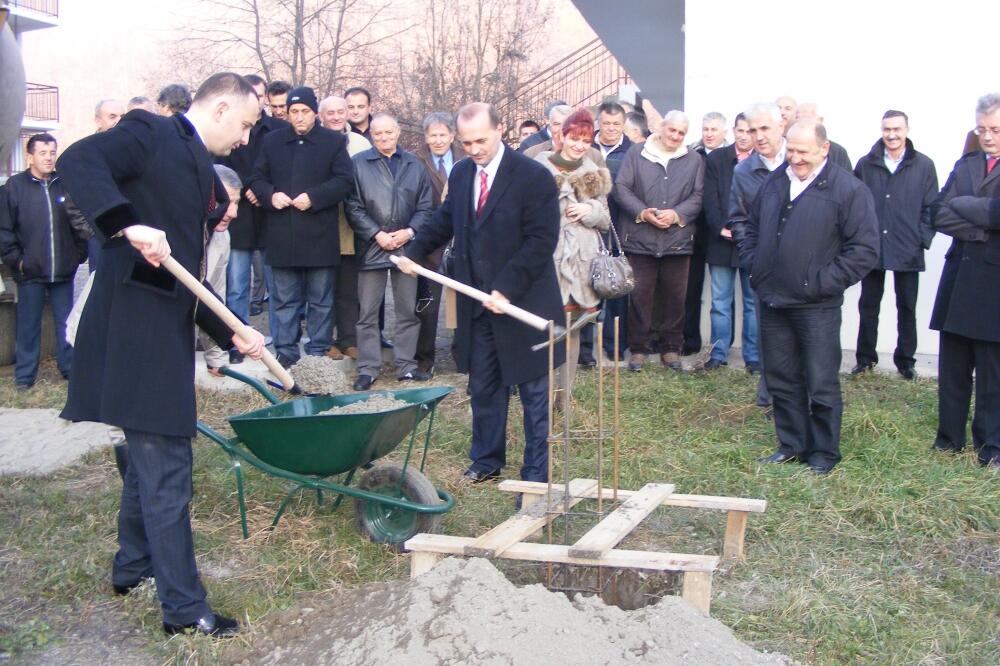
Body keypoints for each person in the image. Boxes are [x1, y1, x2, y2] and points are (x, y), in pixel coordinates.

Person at [57, 72, 267, 637]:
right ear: (221, 107)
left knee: (151, 456)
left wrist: (233, 332)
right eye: (246, 124)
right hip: (136, 334)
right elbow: (77, 161)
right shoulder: (151, 132)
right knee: (169, 464)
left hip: (162, 328)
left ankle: (131, 565)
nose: (246, 138)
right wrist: (127, 224)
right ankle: (184, 610)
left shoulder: (195, 160)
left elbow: (185, 279)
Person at [398, 102, 564, 484]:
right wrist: (413, 252)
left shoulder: (532, 176)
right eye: (467, 142)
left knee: (534, 393)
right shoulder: (460, 174)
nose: (474, 149)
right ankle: (487, 460)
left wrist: (506, 288)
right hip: (478, 302)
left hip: (525, 302)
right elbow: (445, 221)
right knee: (485, 384)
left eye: (481, 140)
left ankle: (536, 472)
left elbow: (541, 241)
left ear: (500, 129)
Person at [741, 120, 879, 474]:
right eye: (791, 150)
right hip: (773, 299)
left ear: (824, 149)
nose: (795, 158)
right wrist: (755, 266)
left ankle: (823, 453)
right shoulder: (775, 182)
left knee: (821, 382)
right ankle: (792, 445)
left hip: (816, 306)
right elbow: (751, 227)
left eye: (803, 151)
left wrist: (820, 282)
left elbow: (864, 251)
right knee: (782, 378)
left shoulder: (848, 190)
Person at [250, 86, 354, 368]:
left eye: (305, 112)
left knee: (320, 299)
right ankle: (286, 352)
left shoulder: (332, 141)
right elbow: (256, 179)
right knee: (284, 299)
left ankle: (318, 350)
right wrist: (271, 195)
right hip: (282, 233)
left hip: (319, 233)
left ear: (315, 113)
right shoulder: (272, 141)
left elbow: (345, 180)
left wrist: (315, 197)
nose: (299, 117)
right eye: (293, 112)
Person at [928, 92, 1000, 468]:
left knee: (992, 374)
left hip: (993, 287)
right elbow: (938, 213)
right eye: (982, 129)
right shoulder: (967, 162)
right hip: (958, 280)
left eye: (995, 130)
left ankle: (991, 447)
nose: (987, 136)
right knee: (953, 367)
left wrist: (970, 208)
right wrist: (983, 225)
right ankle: (948, 440)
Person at [346, 113, 434, 390]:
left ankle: (406, 367)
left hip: (407, 247)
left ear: (398, 133)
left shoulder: (414, 165)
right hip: (371, 246)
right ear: (372, 136)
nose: (383, 138)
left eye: (388, 132)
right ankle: (368, 368)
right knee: (368, 312)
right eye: (378, 134)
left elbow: (426, 206)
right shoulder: (358, 164)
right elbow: (352, 206)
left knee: (407, 310)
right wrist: (376, 234)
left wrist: (409, 232)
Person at [613, 110, 704, 371]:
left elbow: (698, 196)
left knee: (675, 298)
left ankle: (671, 349)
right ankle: (640, 348)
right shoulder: (637, 153)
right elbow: (621, 188)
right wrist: (643, 212)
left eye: (681, 133)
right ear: (661, 127)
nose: (675, 136)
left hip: (677, 240)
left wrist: (676, 214)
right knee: (640, 296)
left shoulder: (694, 160)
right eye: (672, 129)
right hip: (641, 238)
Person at [852, 110, 938, 379]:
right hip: (873, 247)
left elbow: (931, 207)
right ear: (881, 130)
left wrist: (922, 239)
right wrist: (859, 240)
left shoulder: (923, 165)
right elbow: (854, 205)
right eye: (887, 129)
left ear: (907, 130)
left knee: (907, 306)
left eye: (897, 129)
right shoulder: (866, 164)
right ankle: (865, 359)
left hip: (907, 246)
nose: (892, 135)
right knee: (868, 305)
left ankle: (906, 361)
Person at [0, 133, 88, 389]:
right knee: (28, 325)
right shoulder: (13, 188)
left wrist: (77, 256)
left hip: (63, 270)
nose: (49, 158)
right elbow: (4, 231)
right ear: (29, 157)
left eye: (52, 152)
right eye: (43, 153)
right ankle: (25, 377)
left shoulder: (64, 185)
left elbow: (79, 223)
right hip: (29, 272)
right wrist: (18, 262)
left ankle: (69, 369)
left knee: (66, 324)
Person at [534, 108, 612, 394]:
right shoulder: (539, 168)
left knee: (574, 327)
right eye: (574, 138)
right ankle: (543, 391)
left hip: (581, 262)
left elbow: (606, 220)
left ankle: (564, 395)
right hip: (548, 258)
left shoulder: (594, 174)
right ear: (562, 136)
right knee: (547, 325)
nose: (579, 145)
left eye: (585, 140)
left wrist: (588, 209)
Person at [218, 73, 283, 362]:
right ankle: (237, 344)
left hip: (271, 217)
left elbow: (285, 169)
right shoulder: (229, 129)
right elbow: (220, 164)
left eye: (259, 95)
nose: (256, 100)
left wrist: (263, 190)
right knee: (237, 286)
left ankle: (283, 347)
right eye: (250, 95)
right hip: (240, 217)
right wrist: (246, 189)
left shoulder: (278, 129)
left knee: (278, 288)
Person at [318, 95, 372, 362]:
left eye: (341, 111)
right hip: (321, 225)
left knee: (349, 287)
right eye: (331, 112)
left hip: (351, 225)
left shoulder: (361, 144)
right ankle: (325, 339)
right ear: (322, 116)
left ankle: (348, 339)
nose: (337, 116)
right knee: (322, 287)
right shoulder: (315, 141)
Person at [703, 113, 758, 371]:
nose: (745, 136)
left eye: (750, 131)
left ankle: (753, 356)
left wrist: (748, 232)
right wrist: (720, 227)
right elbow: (710, 199)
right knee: (720, 302)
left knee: (752, 302)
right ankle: (718, 352)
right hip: (721, 241)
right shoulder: (717, 159)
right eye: (741, 130)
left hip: (753, 243)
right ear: (733, 131)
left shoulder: (765, 161)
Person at [414, 110, 465, 374]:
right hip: (431, 242)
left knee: (464, 302)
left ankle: (463, 357)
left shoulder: (465, 160)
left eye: (442, 134)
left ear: (452, 135)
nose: (437, 140)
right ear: (425, 137)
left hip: (462, 240)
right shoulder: (416, 162)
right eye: (432, 135)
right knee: (427, 304)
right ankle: (425, 361)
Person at [683, 111, 729, 355]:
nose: (709, 134)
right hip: (695, 231)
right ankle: (690, 340)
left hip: (720, 233)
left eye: (714, 129)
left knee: (723, 294)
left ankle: (723, 344)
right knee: (691, 289)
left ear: (724, 132)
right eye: (706, 129)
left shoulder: (732, 156)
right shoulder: (693, 154)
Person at [594, 101, 633, 363]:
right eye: (606, 123)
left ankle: (615, 345)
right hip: (590, 227)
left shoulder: (632, 151)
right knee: (591, 283)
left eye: (616, 124)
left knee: (617, 286)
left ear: (623, 125)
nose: (610, 129)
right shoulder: (584, 146)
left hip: (621, 227)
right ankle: (587, 348)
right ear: (598, 123)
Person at [202, 165, 241, 377]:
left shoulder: (221, 237)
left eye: (236, 203)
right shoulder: (175, 232)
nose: (233, 213)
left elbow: (215, 298)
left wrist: (216, 358)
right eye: (225, 202)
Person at [793, 103, 851, 170]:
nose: (803, 125)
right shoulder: (788, 151)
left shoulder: (838, 152)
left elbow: (847, 178)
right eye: (798, 120)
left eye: (807, 120)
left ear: (820, 120)